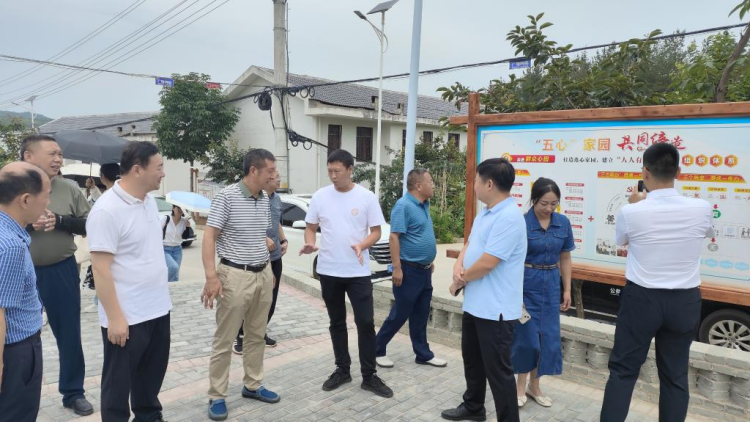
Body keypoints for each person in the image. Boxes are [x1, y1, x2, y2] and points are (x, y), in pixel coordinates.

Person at [600, 143, 713, 422]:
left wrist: (637, 204)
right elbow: (706, 233)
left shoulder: (632, 211)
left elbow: (621, 241)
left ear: (644, 172)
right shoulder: (701, 208)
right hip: (685, 300)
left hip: (642, 299)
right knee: (675, 375)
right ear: (678, 171)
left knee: (623, 371)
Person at [87, 141, 172, 422]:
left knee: (151, 376)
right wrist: (115, 318)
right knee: (118, 385)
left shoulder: (148, 201)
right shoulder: (107, 210)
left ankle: (149, 416)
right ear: (137, 170)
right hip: (126, 315)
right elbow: (100, 268)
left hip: (157, 308)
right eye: (159, 167)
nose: (163, 173)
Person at [300, 149, 393, 398]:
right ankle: (342, 370)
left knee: (365, 322)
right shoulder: (320, 196)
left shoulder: (366, 197)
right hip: (328, 270)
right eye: (330, 171)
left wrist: (362, 245)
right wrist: (310, 243)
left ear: (350, 169)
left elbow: (376, 231)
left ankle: (369, 376)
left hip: (357, 272)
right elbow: (310, 227)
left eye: (337, 171)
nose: (333, 176)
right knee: (337, 322)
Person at [441, 157, 526, 422]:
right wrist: (458, 263)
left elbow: (489, 262)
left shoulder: (509, 217)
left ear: (489, 184)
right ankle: (474, 407)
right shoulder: (486, 213)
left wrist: (459, 281)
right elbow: (470, 244)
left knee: (499, 372)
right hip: (476, 304)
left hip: (495, 310)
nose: (474, 185)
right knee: (473, 362)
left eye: (476, 180)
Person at [202, 148, 281, 421]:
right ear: (254, 171)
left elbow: (259, 235)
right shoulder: (227, 197)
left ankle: (253, 384)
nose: (274, 175)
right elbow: (209, 236)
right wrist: (211, 277)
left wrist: (267, 268)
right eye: (270, 171)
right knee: (225, 339)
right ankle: (217, 395)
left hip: (262, 274)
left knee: (257, 334)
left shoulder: (265, 198)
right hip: (234, 276)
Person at [20, 134, 94, 416]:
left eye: (60, 154)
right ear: (28, 156)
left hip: (61, 269)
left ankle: (73, 392)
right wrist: (29, 223)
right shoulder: (9, 187)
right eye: (52, 153)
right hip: (19, 272)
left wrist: (60, 221)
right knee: (20, 338)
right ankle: (16, 394)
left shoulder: (68, 188)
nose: (58, 159)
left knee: (69, 333)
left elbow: (90, 223)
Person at [375, 168, 447, 369]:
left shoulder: (424, 204)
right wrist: (397, 268)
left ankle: (423, 354)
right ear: (418, 185)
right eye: (430, 181)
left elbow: (418, 234)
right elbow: (394, 237)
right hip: (408, 270)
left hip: (424, 270)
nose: (433, 185)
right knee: (400, 313)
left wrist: (427, 259)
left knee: (421, 314)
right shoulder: (403, 206)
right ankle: (376, 349)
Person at [512, 177, 574, 408]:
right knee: (526, 339)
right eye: (544, 203)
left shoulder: (563, 223)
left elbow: (565, 257)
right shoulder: (522, 223)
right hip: (526, 284)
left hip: (551, 286)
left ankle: (535, 386)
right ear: (534, 200)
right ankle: (519, 386)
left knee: (547, 338)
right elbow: (512, 260)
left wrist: (567, 289)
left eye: (554, 204)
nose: (549, 208)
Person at [0, 162, 51, 422]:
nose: (47, 204)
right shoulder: (11, 246)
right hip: (15, 350)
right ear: (26, 199)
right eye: (46, 196)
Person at [233, 170, 288, 354]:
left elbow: (276, 222)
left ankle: (260, 331)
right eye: (277, 178)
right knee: (251, 300)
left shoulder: (276, 199)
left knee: (269, 300)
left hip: (275, 256)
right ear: (267, 179)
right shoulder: (255, 197)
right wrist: (264, 239)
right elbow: (246, 225)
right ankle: (241, 335)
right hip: (256, 257)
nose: (279, 181)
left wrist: (283, 239)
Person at [160, 205, 190, 282]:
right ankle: (162, 284)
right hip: (165, 249)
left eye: (182, 208)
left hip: (177, 250)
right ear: (173, 208)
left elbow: (185, 237)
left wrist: (187, 227)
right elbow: (156, 232)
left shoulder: (184, 221)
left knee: (176, 276)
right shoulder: (166, 219)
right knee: (173, 267)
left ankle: (171, 289)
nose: (180, 210)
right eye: (178, 208)